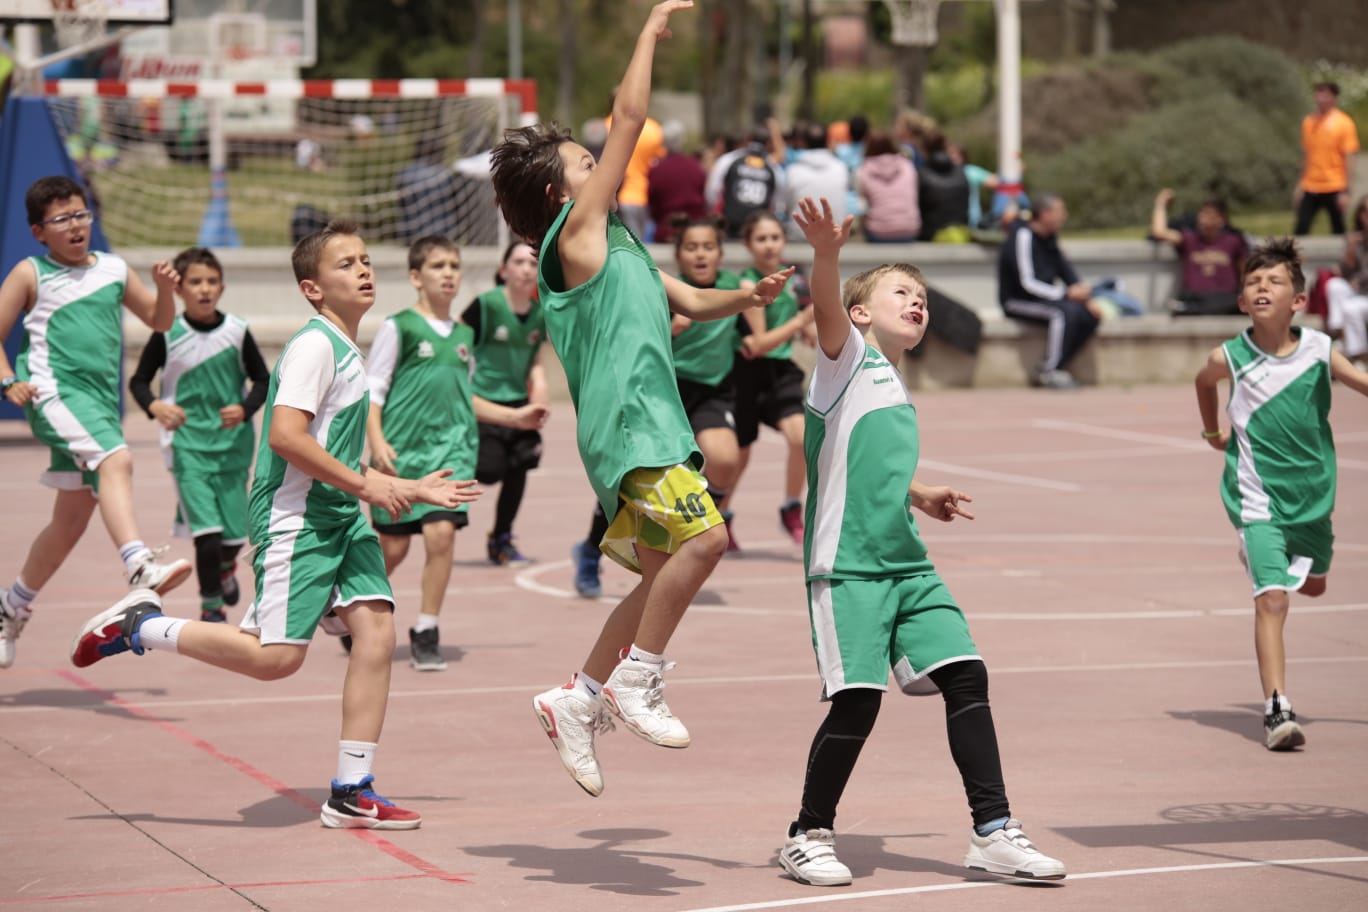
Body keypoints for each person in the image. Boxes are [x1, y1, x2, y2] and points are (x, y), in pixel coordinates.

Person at [68, 219, 478, 828]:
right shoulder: (315, 345)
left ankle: (350, 789)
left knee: (375, 632)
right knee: (275, 660)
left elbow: (332, 443)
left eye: (366, 260)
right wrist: (373, 483)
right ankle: (142, 625)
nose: (363, 270)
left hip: (339, 514)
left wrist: (407, 486)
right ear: (312, 288)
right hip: (299, 518)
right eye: (346, 264)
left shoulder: (346, 347)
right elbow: (285, 437)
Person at [488, 0, 794, 798]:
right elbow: (630, 112)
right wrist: (650, 31)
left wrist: (746, 294)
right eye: (587, 163)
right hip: (633, 429)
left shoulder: (615, 245)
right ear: (559, 193)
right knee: (708, 540)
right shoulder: (571, 237)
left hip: (643, 429)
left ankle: (579, 695)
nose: (603, 165)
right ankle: (639, 678)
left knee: (659, 575)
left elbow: (687, 302)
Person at [776, 197, 1067, 886]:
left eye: (923, 295)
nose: (917, 301)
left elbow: (861, 462)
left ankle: (994, 831)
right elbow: (825, 308)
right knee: (859, 700)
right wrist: (826, 256)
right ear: (861, 314)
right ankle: (807, 833)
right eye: (901, 291)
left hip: (907, 563)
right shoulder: (843, 363)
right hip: (848, 567)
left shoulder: (890, 384)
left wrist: (917, 490)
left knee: (968, 673)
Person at [0, 175, 193, 669]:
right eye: (62, 219)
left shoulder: (112, 268)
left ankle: (11, 606)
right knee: (117, 460)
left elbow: (159, 320)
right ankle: (138, 566)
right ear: (39, 231)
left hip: (97, 404)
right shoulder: (30, 274)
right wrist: (7, 382)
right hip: (54, 397)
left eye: (81, 214)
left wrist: (167, 292)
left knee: (69, 522)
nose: (76, 225)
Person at [1193, 237, 1368, 751]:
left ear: (1298, 301)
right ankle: (1277, 709)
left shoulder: (1319, 349)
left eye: (1275, 280)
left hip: (1313, 498)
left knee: (1312, 586)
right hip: (1257, 499)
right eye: (1253, 282)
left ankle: (1286, 559)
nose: (1262, 286)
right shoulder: (1228, 356)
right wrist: (1212, 433)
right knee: (1273, 599)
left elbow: (1361, 382)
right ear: (1243, 302)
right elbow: (1203, 384)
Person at [366, 235, 546, 671]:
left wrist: (514, 416)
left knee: (440, 535)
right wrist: (377, 441)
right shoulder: (399, 327)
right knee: (392, 550)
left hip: (451, 451)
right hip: (402, 453)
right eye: (437, 266)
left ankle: (427, 628)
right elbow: (373, 389)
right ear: (415, 277)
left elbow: (466, 395)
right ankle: (353, 611)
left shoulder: (465, 335)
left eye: (453, 265)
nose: (448, 273)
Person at [127, 246, 271, 623]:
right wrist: (156, 406)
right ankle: (212, 608)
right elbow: (139, 381)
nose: (204, 288)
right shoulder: (166, 332)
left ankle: (225, 571)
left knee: (234, 538)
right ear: (179, 290)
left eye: (211, 281)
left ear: (221, 287)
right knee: (206, 534)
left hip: (233, 449)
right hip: (187, 448)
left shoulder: (237, 331)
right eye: (195, 282)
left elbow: (263, 380)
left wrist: (244, 409)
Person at [462, 240, 552, 566]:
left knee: (522, 464)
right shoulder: (485, 306)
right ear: (503, 270)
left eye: (532, 263)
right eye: (518, 262)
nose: (526, 269)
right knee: (489, 470)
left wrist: (539, 389)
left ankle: (501, 538)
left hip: (519, 403)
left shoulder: (540, 315)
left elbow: (536, 362)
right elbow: (453, 342)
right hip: (485, 402)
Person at [732, 209, 815, 548]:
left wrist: (811, 328)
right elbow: (761, 344)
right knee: (738, 455)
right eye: (761, 239)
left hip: (782, 374)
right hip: (747, 374)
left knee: (802, 438)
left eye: (775, 237)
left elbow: (806, 323)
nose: (769, 245)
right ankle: (719, 515)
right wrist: (799, 323)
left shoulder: (796, 281)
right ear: (749, 245)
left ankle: (791, 506)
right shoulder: (748, 285)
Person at [668, 215, 745, 548]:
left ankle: (704, 524)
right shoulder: (667, 292)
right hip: (667, 390)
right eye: (691, 247)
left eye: (708, 247)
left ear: (720, 254)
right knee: (640, 477)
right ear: (679, 255)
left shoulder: (734, 289)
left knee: (726, 460)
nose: (700, 254)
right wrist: (671, 329)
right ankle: (591, 547)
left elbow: (752, 336)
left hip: (713, 390)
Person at [997, 192, 1101, 389]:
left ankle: (1057, 365)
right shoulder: (1022, 236)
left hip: (1044, 299)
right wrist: (1065, 294)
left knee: (1088, 315)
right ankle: (1049, 371)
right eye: (1060, 211)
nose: (1064, 216)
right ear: (1044, 214)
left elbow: (1066, 271)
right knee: (1063, 313)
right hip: (1017, 300)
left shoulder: (1050, 238)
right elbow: (1026, 282)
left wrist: (1085, 298)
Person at [1151, 189, 1249, 316]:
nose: (1202, 219)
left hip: (1225, 298)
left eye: (1208, 214)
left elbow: (1245, 272)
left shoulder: (1234, 240)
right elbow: (1159, 232)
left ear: (1221, 219)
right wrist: (1160, 203)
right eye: (1201, 214)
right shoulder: (1189, 239)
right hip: (1194, 298)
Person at [1294, 81, 1360, 236]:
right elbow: (1307, 156)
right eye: (1318, 94)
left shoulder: (1344, 123)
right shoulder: (1308, 122)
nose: (1321, 99)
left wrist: (1346, 190)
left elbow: (1349, 158)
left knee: (1339, 230)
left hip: (1334, 185)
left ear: (1334, 98)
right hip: (1311, 185)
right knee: (1301, 228)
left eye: (1325, 95)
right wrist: (1300, 185)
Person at [604, 86, 665, 240]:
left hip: (617, 196)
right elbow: (659, 163)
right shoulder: (654, 129)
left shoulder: (605, 127)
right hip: (646, 195)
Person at [705, 124, 784, 239]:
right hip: (759, 228)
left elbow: (712, 191)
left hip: (729, 224)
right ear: (769, 143)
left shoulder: (728, 160)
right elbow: (778, 202)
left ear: (747, 138)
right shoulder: (774, 167)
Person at [780, 122, 850, 242]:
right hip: (834, 236)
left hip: (800, 236)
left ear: (803, 143)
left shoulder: (793, 171)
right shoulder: (841, 168)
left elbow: (784, 206)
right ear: (828, 141)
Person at [1322, 195, 1368, 366]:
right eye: (1365, 213)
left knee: (1351, 308)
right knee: (1334, 285)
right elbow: (1343, 273)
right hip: (1359, 292)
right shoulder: (1355, 239)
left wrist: (1359, 279)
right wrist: (1350, 249)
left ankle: (1359, 357)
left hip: (1364, 293)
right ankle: (1339, 335)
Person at [647, 119, 708, 244]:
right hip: (695, 229)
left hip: (667, 230)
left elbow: (653, 203)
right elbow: (703, 195)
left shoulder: (657, 168)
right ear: (683, 140)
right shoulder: (695, 165)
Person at [856, 130, 920, 243]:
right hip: (909, 229)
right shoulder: (907, 166)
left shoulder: (863, 170)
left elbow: (862, 205)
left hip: (877, 231)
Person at [917, 129, 971, 243]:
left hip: (931, 235)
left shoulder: (921, 174)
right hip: (962, 232)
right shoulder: (962, 172)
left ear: (923, 149)